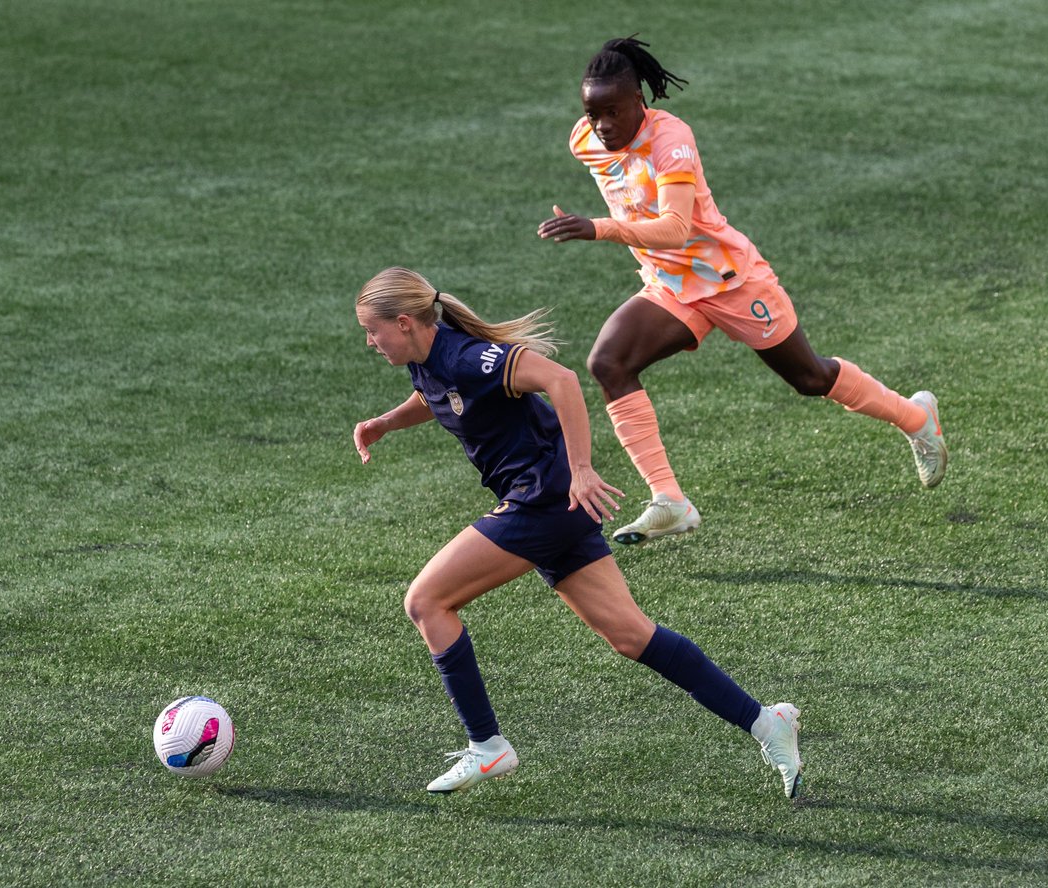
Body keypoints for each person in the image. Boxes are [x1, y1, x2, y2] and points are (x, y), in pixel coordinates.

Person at [352, 266, 804, 798]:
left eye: (372, 330)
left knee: (426, 602)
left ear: (404, 322)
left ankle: (487, 747)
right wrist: (385, 423)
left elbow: (560, 380)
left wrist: (584, 467)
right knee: (631, 635)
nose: (369, 341)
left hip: (543, 499)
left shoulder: (470, 356)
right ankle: (767, 723)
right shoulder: (429, 360)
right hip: (552, 504)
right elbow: (439, 397)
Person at [538, 36, 947, 545]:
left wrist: (600, 227)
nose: (602, 126)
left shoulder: (672, 142)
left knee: (810, 378)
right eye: (592, 112)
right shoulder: (586, 141)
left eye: (614, 112)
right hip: (670, 287)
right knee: (608, 363)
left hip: (731, 280)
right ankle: (670, 501)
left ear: (640, 102)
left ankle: (916, 418)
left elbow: (676, 229)